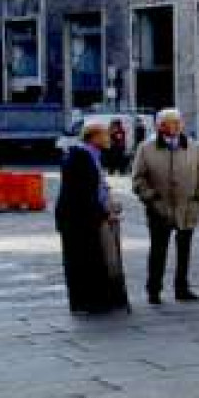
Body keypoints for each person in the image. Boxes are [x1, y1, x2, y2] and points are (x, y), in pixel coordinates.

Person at [131, 109, 199, 305]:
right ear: (160, 126)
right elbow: (138, 179)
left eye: (178, 122)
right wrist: (151, 198)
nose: (177, 125)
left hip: (187, 208)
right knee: (158, 250)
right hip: (159, 209)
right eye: (172, 122)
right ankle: (154, 290)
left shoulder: (193, 147)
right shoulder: (146, 148)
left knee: (184, 251)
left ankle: (182, 288)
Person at [56, 118, 130, 316]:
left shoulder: (91, 155)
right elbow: (84, 194)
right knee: (83, 261)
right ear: (94, 137)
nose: (109, 138)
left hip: (87, 216)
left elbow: (97, 188)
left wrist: (108, 206)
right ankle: (88, 303)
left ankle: (98, 301)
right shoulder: (81, 157)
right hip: (78, 220)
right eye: (105, 134)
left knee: (93, 260)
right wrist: (105, 213)